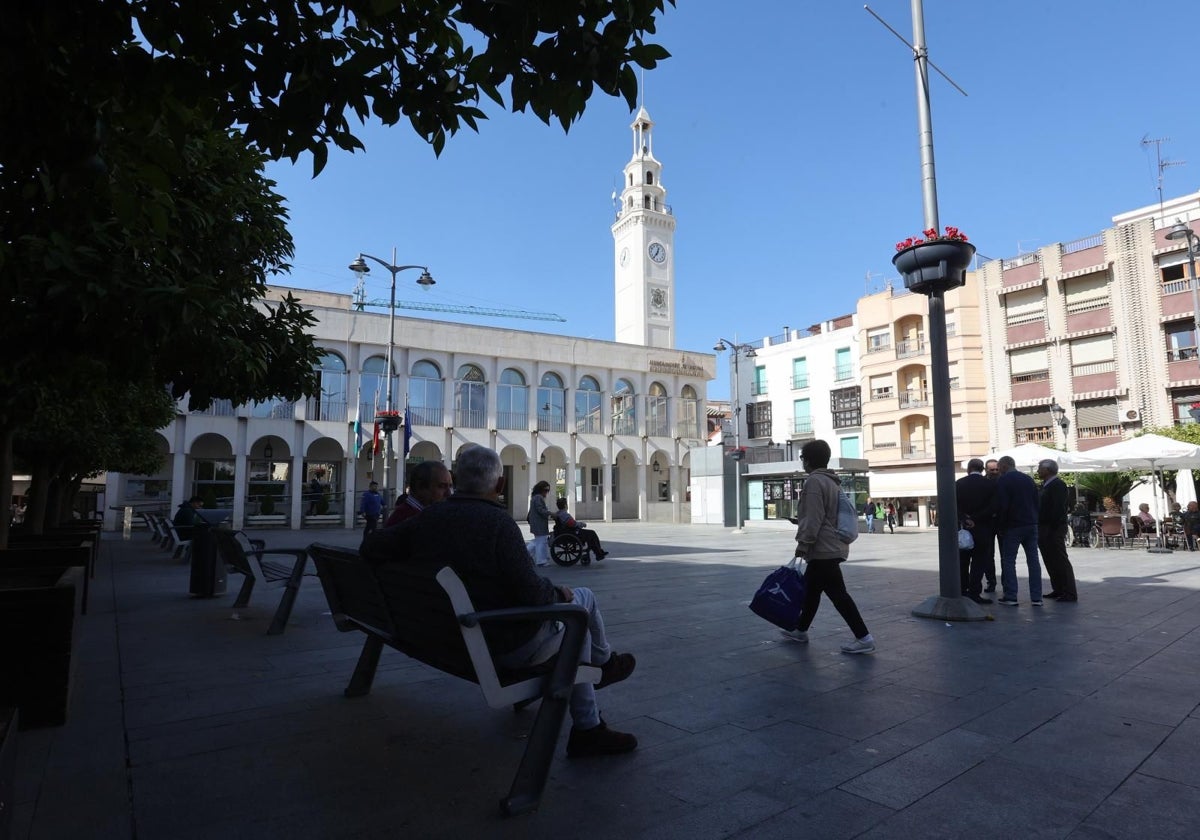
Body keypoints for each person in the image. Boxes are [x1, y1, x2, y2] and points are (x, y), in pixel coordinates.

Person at [361, 446, 638, 757]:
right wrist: (555, 591)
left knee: (576, 615)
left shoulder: (429, 517)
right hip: (501, 643)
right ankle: (597, 685)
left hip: (444, 636)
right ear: (500, 485)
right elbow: (532, 593)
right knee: (580, 608)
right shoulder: (498, 523)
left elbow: (372, 545)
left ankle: (596, 691)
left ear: (456, 480)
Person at [779, 439, 876, 654]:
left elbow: (814, 517)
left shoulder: (814, 482)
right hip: (831, 545)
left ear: (809, 460)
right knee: (812, 591)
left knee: (838, 595)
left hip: (823, 548)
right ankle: (801, 630)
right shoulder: (832, 481)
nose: (802, 462)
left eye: (803, 458)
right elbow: (825, 514)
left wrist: (803, 544)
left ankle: (863, 637)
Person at [993, 455, 1043, 606]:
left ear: (1003, 466)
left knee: (1008, 560)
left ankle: (1011, 596)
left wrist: (1000, 525)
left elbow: (1003, 505)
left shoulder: (1003, 480)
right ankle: (1036, 597)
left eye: (999, 467)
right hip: (1031, 524)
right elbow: (1036, 501)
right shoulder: (1028, 479)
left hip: (1013, 526)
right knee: (1033, 560)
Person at [955, 458, 996, 605]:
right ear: (983, 469)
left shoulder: (959, 484)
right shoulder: (990, 485)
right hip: (982, 528)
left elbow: (953, 505)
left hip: (964, 528)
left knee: (963, 561)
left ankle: (962, 590)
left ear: (968, 469)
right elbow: (993, 507)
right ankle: (975, 592)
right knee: (979, 562)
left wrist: (965, 519)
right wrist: (976, 518)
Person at [1036, 459, 1077, 603]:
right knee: (1050, 559)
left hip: (1053, 528)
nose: (1038, 471)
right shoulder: (1045, 485)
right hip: (1045, 527)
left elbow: (1058, 508)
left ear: (1047, 470)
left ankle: (1069, 592)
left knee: (1059, 559)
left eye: (1040, 468)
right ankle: (1058, 588)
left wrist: (1052, 527)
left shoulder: (1057, 485)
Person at [384, 462, 453, 527]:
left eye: (450, 486)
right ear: (420, 487)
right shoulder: (406, 520)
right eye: (442, 486)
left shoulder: (426, 515)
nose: (449, 493)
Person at [980, 458, 1002, 592]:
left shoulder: (1004, 481)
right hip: (987, 522)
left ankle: (1006, 583)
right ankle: (991, 582)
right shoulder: (982, 482)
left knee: (1006, 556)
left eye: (996, 469)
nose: (994, 472)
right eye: (992, 470)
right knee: (988, 555)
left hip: (1001, 522)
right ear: (986, 470)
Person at [527, 480, 552, 568]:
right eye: (545, 490)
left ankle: (525, 554)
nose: (546, 492)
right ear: (541, 489)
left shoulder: (535, 497)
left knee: (538, 541)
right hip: (539, 523)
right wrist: (550, 513)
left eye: (547, 490)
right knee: (541, 541)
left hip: (537, 522)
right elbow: (540, 510)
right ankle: (541, 561)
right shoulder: (538, 498)